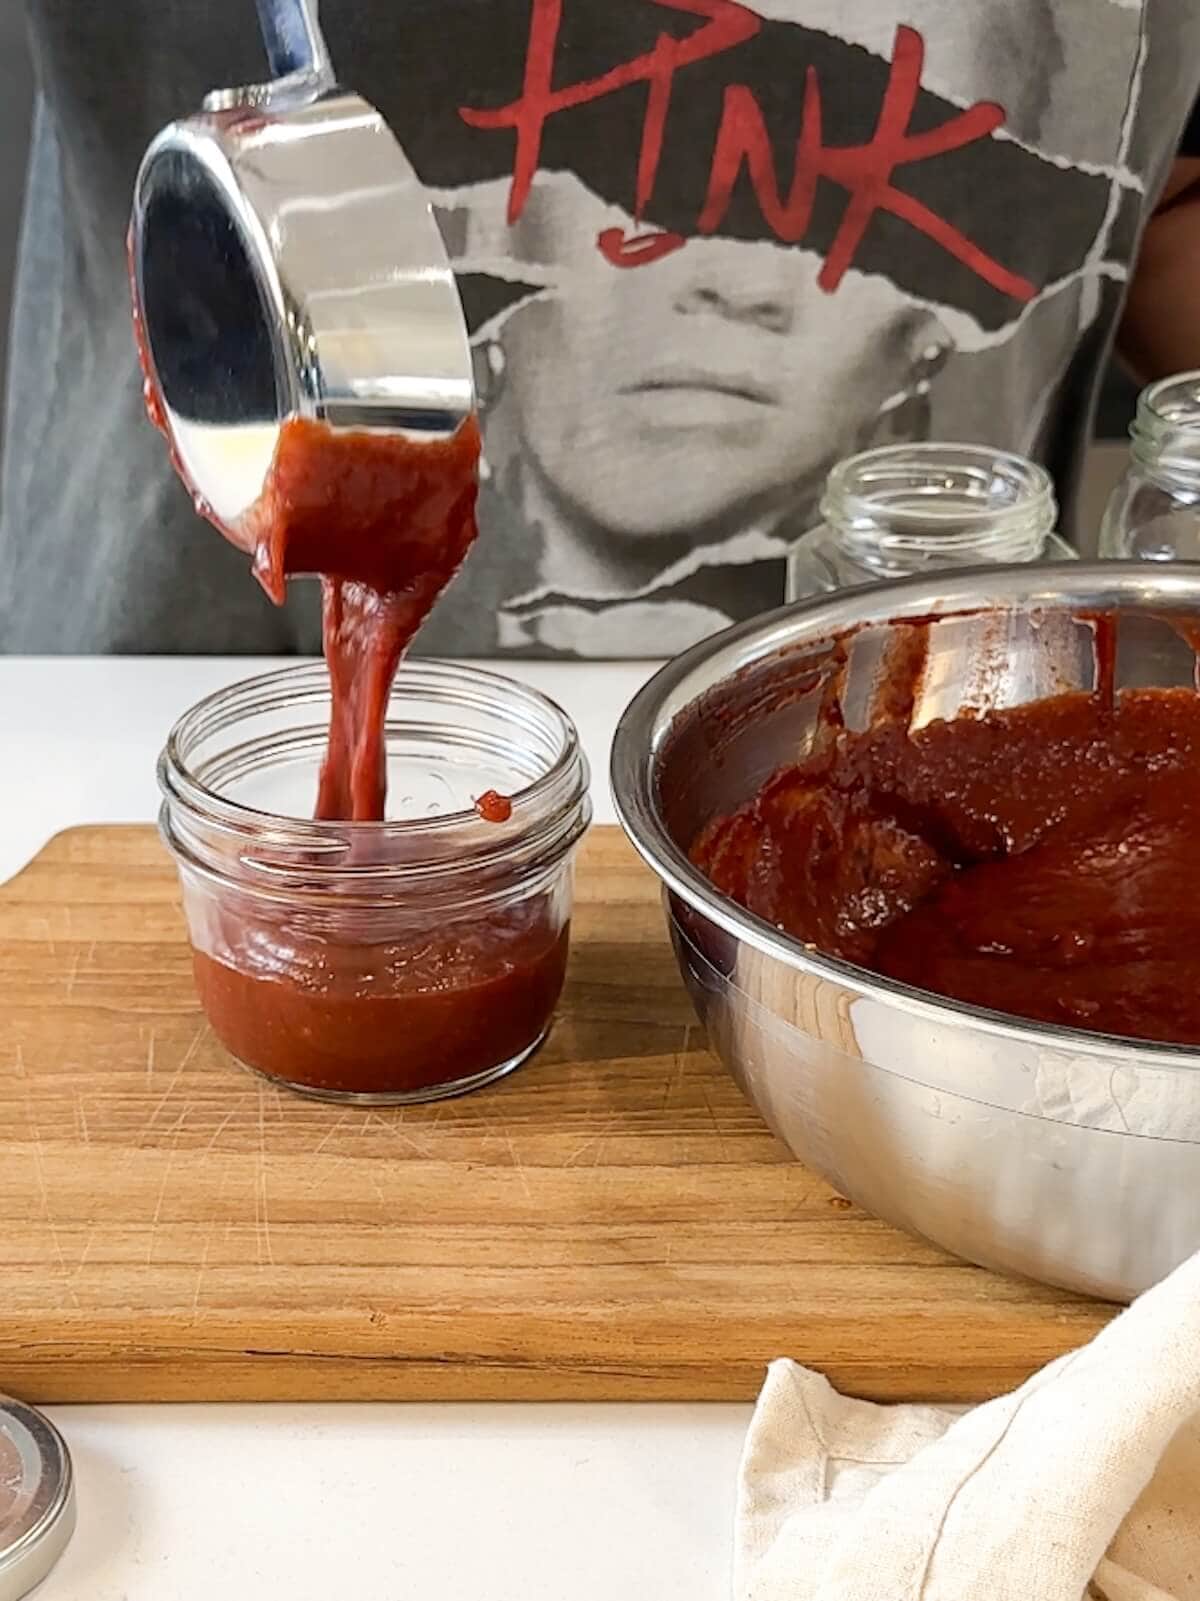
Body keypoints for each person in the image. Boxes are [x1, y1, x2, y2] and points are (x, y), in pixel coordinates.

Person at [2, 0, 1199, 658]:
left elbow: (1159, 214)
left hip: (940, 721)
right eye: (647, 170)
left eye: (864, 199)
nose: (735, 283)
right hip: (114, 761)